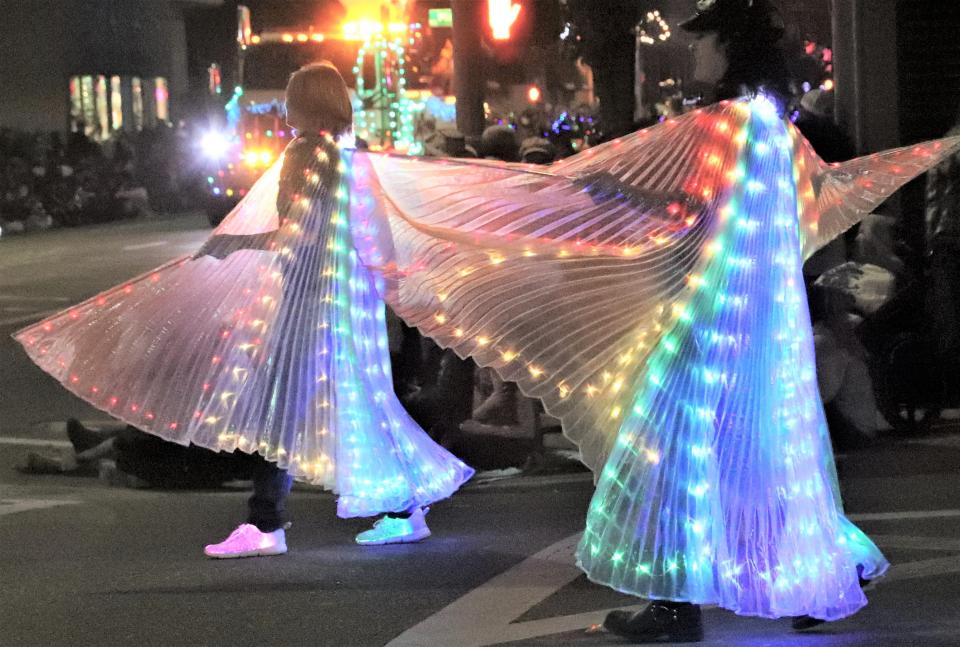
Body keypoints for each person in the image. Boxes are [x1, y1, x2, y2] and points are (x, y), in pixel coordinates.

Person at [337, 0, 956, 642]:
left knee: (666, 455)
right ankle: (833, 567)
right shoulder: (776, 127)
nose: (693, 51)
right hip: (760, 328)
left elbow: (678, 203)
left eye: (702, 40)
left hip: (709, 317)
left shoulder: (726, 125)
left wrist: (591, 191)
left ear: (728, 46)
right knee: (756, 457)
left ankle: (675, 606)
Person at [15, 62, 474, 558]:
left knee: (279, 410)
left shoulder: (303, 152)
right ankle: (398, 512)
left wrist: (232, 243)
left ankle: (267, 524)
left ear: (307, 103)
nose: (284, 106)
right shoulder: (347, 156)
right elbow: (357, 237)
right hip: (343, 306)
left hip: (304, 305)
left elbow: (293, 232)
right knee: (352, 408)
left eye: (291, 96)